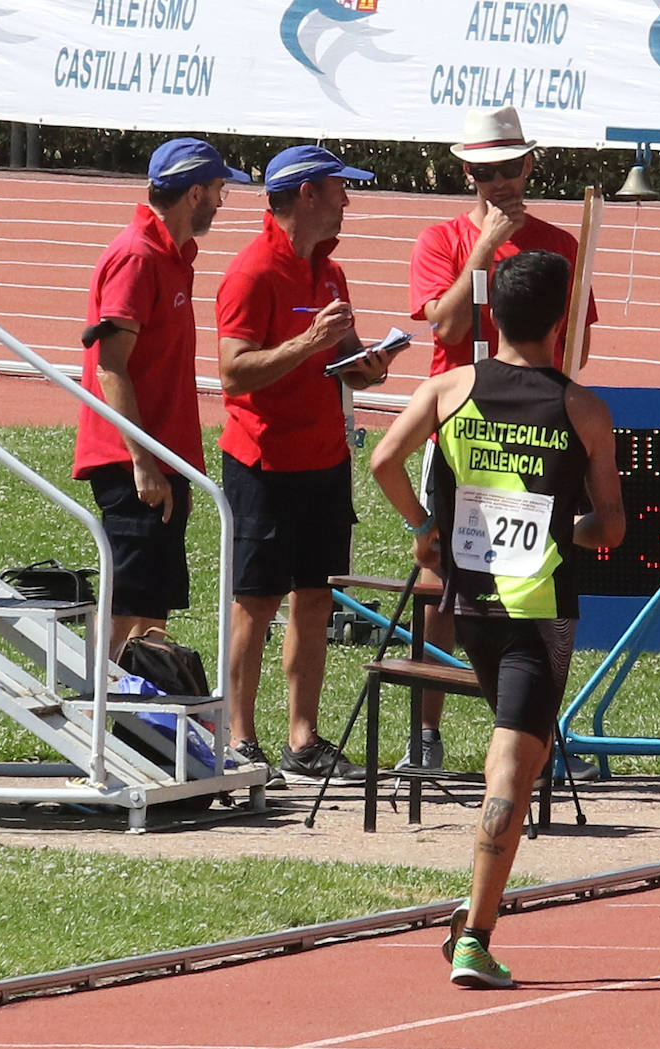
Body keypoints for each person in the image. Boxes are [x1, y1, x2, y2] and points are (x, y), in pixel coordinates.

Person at [371, 250, 625, 988]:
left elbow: (384, 458)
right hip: (538, 613)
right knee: (511, 767)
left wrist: (426, 529)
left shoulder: (447, 389)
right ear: (559, 320)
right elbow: (609, 529)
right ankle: (475, 934)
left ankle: (474, 916)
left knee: (515, 758)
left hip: (469, 606)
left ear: (492, 316)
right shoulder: (584, 409)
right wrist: (556, 530)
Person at [403, 105, 600, 775]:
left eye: (511, 169)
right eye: (487, 174)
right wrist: (483, 249)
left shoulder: (560, 245)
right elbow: (442, 327)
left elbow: (577, 345)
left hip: (534, 432)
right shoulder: (442, 241)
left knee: (537, 579)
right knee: (444, 583)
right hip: (460, 432)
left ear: (530, 164)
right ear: (468, 174)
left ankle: (531, 734)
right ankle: (425, 736)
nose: (503, 184)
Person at [214, 145, 395, 786]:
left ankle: (303, 738)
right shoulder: (252, 273)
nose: (349, 200)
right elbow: (233, 372)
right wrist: (308, 342)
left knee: (315, 599)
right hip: (262, 461)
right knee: (255, 603)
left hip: (325, 459)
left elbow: (341, 359)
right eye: (340, 189)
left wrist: (367, 364)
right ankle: (239, 739)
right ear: (309, 193)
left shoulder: (332, 273)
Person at [73, 136, 250, 658]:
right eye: (219, 189)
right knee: (128, 607)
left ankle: (141, 729)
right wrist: (143, 461)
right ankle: (101, 720)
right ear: (195, 193)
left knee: (152, 611)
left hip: (162, 458)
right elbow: (109, 364)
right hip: (133, 463)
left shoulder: (173, 255)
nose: (222, 200)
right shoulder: (137, 256)